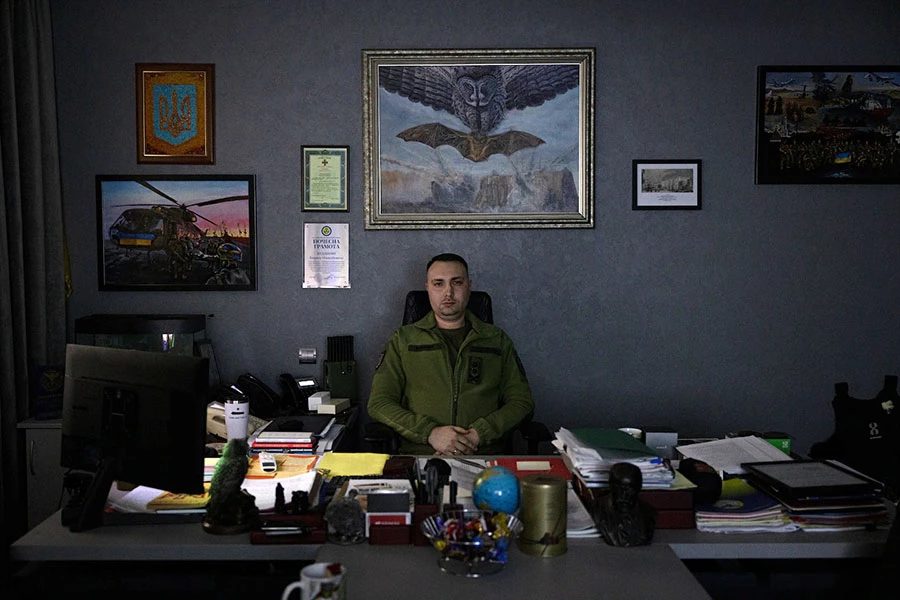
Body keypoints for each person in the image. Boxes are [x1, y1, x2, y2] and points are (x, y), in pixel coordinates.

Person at [367, 253, 535, 456]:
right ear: (428, 288)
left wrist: (477, 435)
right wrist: (430, 433)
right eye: (439, 284)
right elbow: (380, 403)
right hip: (422, 455)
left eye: (457, 282)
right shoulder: (404, 340)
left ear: (468, 286)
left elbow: (522, 403)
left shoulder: (496, 340)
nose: (448, 292)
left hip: (484, 455)